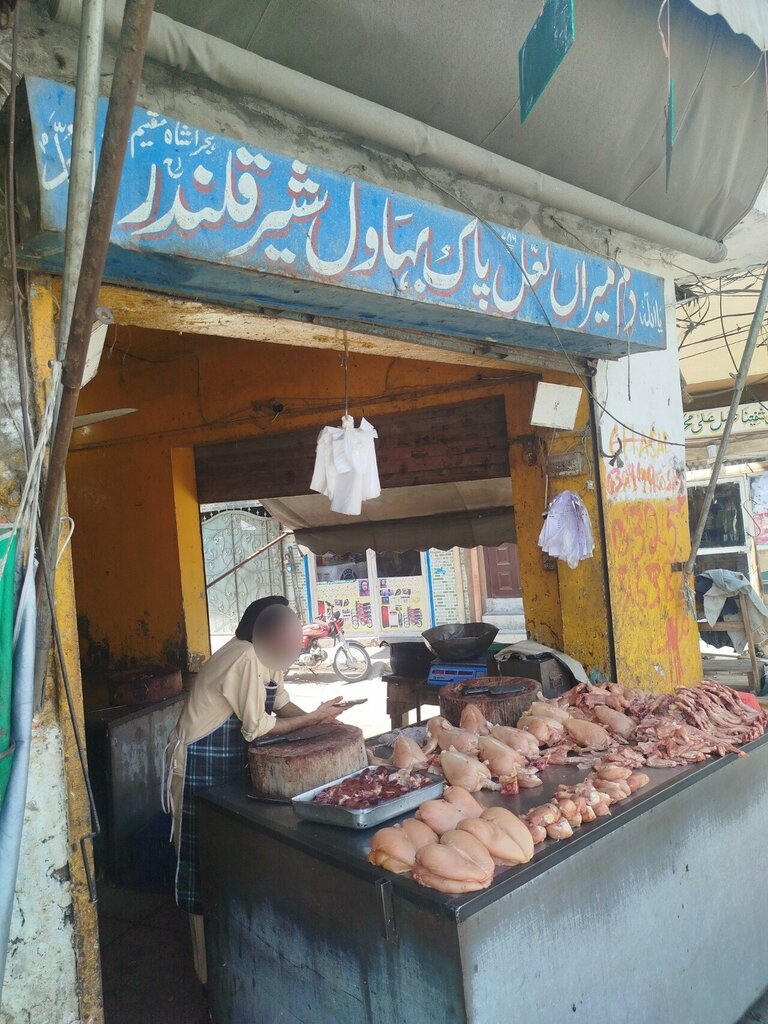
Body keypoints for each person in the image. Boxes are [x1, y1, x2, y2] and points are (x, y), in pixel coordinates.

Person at [164, 595, 345, 985]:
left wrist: (323, 721)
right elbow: (258, 729)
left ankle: (233, 951)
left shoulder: (268, 660)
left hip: (226, 768)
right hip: (199, 765)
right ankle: (205, 973)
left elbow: (281, 705)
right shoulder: (244, 656)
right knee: (199, 860)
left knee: (227, 857)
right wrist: (314, 719)